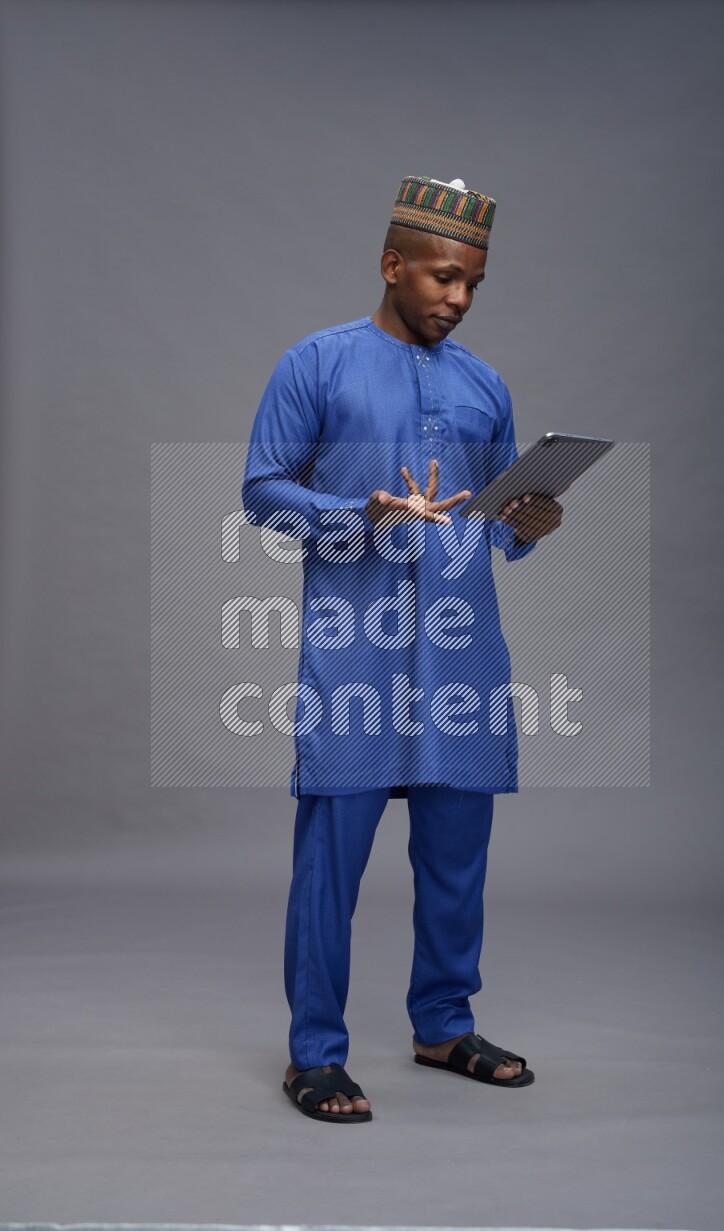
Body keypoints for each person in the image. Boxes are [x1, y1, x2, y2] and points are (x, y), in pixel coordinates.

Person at [242, 175, 563, 1123]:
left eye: (471, 285)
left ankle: (442, 1025)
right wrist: (358, 511)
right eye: (442, 278)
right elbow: (261, 489)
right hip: (356, 651)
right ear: (394, 266)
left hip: (460, 656)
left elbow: (497, 526)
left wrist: (533, 520)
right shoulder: (319, 363)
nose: (456, 298)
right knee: (330, 862)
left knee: (457, 857)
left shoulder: (484, 385)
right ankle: (314, 1054)